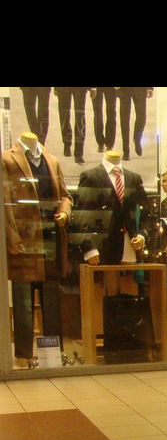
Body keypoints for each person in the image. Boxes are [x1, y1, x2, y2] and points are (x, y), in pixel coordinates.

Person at [3, 130, 72, 364]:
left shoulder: (52, 160)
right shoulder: (6, 159)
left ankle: (52, 354)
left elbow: (65, 195)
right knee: (23, 300)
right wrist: (12, 237)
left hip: (50, 237)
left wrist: (64, 212)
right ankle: (23, 355)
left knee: (52, 298)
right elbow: (5, 201)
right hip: (24, 240)